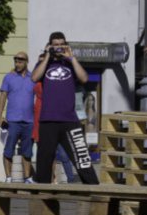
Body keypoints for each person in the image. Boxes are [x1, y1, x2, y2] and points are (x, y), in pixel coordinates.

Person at [30, 32, 98, 184]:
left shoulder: (70, 63)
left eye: (62, 44)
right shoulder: (44, 63)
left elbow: (84, 78)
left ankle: (94, 188)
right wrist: (47, 55)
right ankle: (43, 193)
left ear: (66, 45)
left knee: (82, 158)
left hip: (69, 120)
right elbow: (34, 78)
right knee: (44, 161)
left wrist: (72, 58)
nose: (59, 47)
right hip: (48, 120)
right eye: (55, 45)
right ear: (50, 46)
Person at [0, 52, 35, 183]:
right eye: (16, 61)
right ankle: (8, 177)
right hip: (12, 121)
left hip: (29, 121)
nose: (17, 64)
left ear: (26, 62)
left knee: (27, 152)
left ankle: (27, 178)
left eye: (20, 61)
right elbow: (2, 98)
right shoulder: (9, 77)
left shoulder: (33, 78)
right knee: (8, 150)